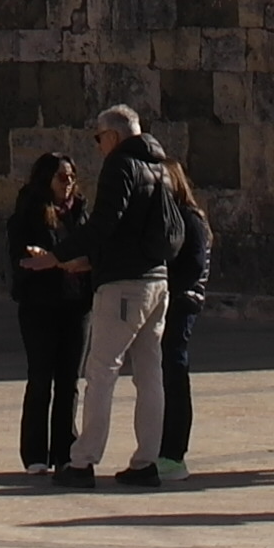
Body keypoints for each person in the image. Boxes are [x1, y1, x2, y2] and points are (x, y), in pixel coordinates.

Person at [64, 106, 180, 486]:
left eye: (99, 138)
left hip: (124, 283)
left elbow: (105, 222)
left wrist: (61, 253)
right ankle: (147, 461)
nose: (99, 146)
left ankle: (83, 461)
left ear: (112, 136)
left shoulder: (121, 165)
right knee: (150, 374)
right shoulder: (161, 166)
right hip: (157, 280)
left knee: (101, 371)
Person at [4, 155, 91, 478]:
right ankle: (35, 454)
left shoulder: (81, 213)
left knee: (70, 380)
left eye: (71, 177)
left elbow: (91, 252)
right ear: (46, 180)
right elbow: (24, 261)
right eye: (60, 178)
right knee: (41, 378)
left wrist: (59, 261)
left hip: (77, 304)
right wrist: (59, 262)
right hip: (40, 305)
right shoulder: (28, 216)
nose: (67, 184)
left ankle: (65, 451)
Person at [149, 156, 214, 487]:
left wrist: (167, 289)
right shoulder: (176, 218)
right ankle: (161, 448)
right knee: (162, 374)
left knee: (174, 372)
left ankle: (173, 452)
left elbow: (192, 266)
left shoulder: (187, 219)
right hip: (171, 300)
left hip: (180, 302)